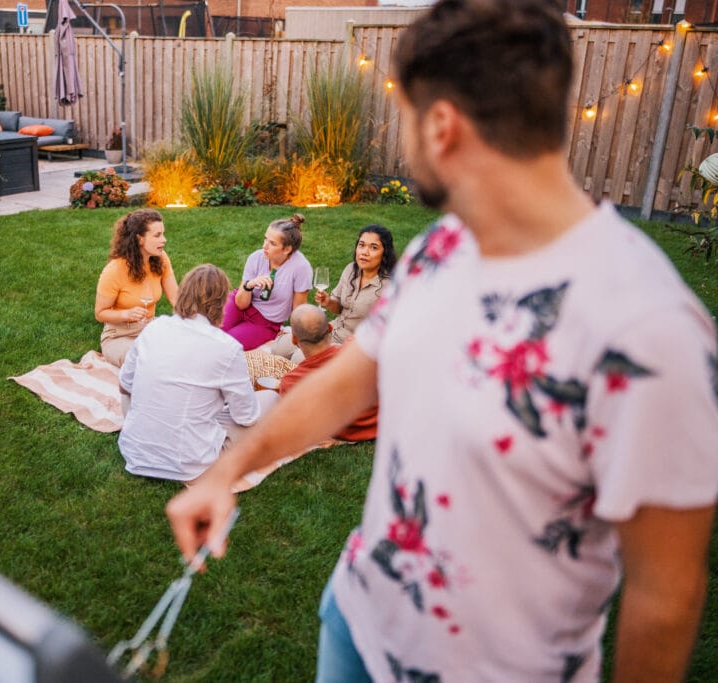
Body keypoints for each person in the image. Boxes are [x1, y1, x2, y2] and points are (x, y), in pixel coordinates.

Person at [165, 1, 718, 681]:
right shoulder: (440, 248)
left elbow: (666, 596)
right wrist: (226, 471)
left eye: (404, 114)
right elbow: (347, 379)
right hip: (356, 624)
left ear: (442, 125)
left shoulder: (649, 329)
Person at [118, 264, 277, 482]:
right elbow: (246, 417)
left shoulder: (154, 327)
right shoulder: (227, 348)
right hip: (189, 464)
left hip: (133, 451)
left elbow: (124, 386)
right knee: (270, 398)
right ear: (221, 303)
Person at [273, 224, 397, 361]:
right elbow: (338, 307)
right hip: (331, 330)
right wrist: (328, 302)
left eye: (373, 247)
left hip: (353, 345)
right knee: (279, 348)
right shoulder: (351, 269)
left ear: (385, 253)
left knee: (299, 358)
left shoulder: (389, 286)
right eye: (361, 245)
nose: (364, 252)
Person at [278, 304, 377, 442]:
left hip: (345, 433)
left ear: (294, 339)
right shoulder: (360, 349)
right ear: (330, 329)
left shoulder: (291, 382)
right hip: (376, 423)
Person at [95, 209, 179, 366]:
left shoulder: (161, 258)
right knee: (145, 360)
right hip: (119, 335)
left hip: (150, 329)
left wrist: (193, 321)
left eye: (163, 234)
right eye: (157, 235)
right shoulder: (115, 270)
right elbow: (100, 313)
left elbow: (176, 298)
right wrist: (126, 314)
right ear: (139, 239)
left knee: (180, 351)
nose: (164, 240)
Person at [222, 214, 313, 350]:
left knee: (226, 345)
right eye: (265, 239)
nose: (264, 246)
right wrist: (249, 285)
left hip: (265, 322)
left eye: (272, 243)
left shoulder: (300, 267)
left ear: (287, 249)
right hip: (240, 305)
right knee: (210, 332)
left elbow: (298, 308)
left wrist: (296, 334)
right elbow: (240, 304)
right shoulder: (256, 258)